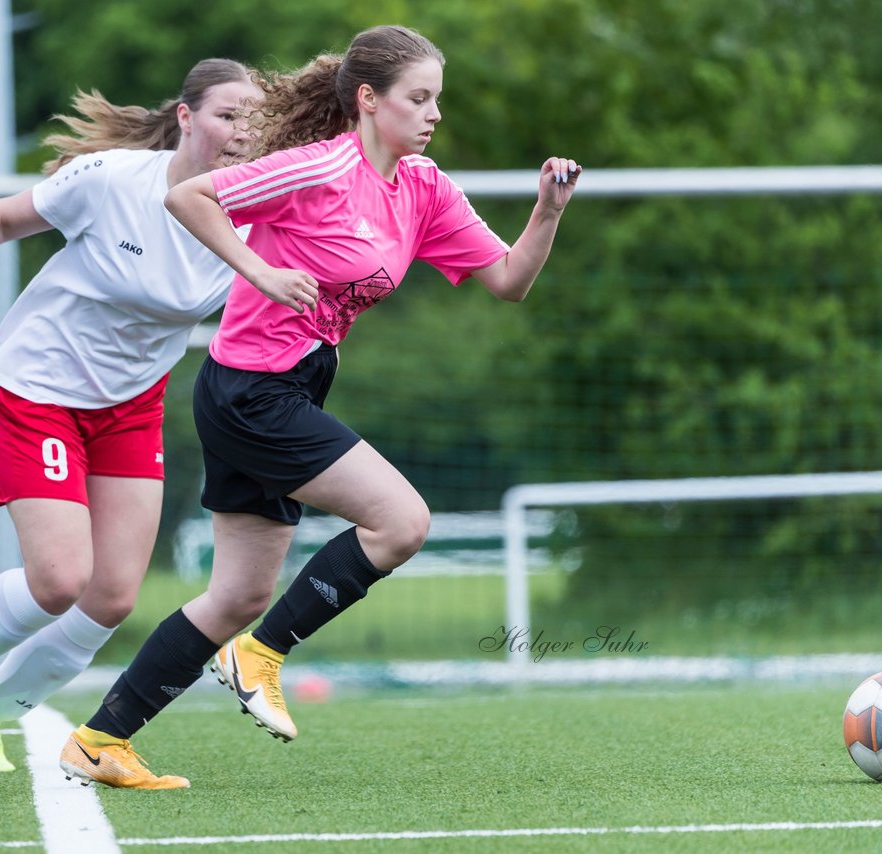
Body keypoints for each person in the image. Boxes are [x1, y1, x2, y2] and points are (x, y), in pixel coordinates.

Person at [58, 24, 581, 790]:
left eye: (438, 98)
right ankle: (260, 656)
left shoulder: (424, 186)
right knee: (402, 522)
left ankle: (100, 739)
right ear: (369, 101)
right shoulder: (320, 166)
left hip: (291, 385)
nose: (433, 113)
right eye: (419, 98)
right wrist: (259, 270)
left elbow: (508, 280)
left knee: (238, 592)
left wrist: (549, 209)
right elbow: (189, 197)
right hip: (250, 392)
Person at [0, 59, 263, 774]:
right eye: (226, 115)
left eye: (253, 119)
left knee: (112, 596)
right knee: (59, 578)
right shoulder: (113, 181)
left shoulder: (255, 210)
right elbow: (3, 218)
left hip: (129, 405)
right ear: (186, 118)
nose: (241, 133)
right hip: (40, 386)